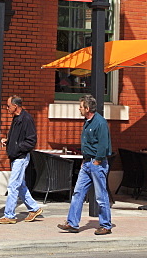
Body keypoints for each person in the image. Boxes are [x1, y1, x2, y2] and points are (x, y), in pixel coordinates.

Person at [58, 94, 112, 236]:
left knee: (100, 196)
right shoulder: (87, 121)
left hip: (97, 163)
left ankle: (105, 225)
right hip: (87, 163)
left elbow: (103, 144)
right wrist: (85, 160)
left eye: (81, 107)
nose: (79, 109)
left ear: (87, 108)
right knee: (78, 193)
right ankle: (72, 223)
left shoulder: (100, 123)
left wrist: (97, 160)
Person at [0, 95, 43, 225]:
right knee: (20, 185)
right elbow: (18, 137)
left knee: (13, 186)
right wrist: (9, 140)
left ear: (15, 106)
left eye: (8, 106)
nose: (7, 108)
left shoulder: (26, 119)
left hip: (20, 157)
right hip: (16, 156)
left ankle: (9, 215)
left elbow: (31, 141)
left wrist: (17, 147)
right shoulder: (17, 118)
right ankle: (34, 208)